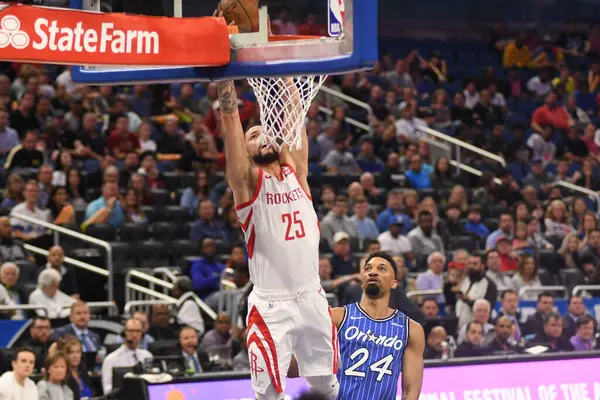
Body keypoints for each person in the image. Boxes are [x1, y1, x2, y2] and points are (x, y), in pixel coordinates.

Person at [217, 78, 339, 398]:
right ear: (246, 151)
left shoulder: (296, 172)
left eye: (266, 131)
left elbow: (295, 117)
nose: (264, 136)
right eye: (254, 136)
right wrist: (225, 81)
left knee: (327, 386)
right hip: (272, 305)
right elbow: (230, 122)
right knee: (269, 394)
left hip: (312, 295)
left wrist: (287, 79)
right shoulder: (245, 182)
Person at [291, 252, 424, 400]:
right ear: (362, 280)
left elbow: (411, 392)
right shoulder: (336, 317)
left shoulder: (411, 329)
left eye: (382, 269)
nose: (373, 272)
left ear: (394, 283)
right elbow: (293, 370)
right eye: (368, 269)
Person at [101, 318, 152, 394]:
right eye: (131, 331)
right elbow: (107, 390)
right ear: (124, 333)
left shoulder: (147, 356)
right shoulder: (111, 360)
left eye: (138, 331)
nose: (134, 335)